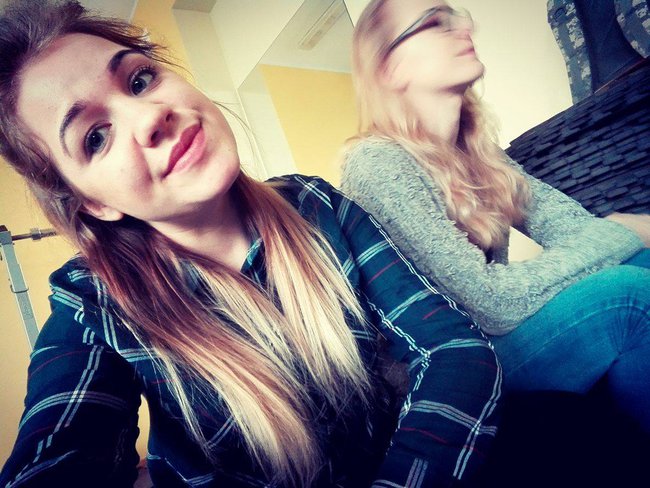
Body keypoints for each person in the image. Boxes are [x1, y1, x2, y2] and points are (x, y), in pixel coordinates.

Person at [0, 1, 502, 487]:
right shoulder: (92, 304)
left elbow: (452, 350)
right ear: (93, 203)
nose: (150, 116)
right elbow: (56, 460)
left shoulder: (314, 204)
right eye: (95, 137)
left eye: (140, 80)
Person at [341, 0, 650, 434]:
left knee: (640, 262)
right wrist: (621, 229)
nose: (463, 28)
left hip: (494, 341)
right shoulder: (376, 163)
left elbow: (577, 231)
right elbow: (490, 304)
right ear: (391, 68)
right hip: (445, 370)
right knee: (629, 295)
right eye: (435, 23)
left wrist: (620, 237)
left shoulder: (480, 156)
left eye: (457, 16)